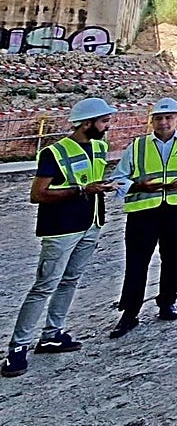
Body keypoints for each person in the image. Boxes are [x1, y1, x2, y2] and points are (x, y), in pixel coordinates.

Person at [2, 98, 118, 378]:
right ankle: (18, 348)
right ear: (87, 123)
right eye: (103, 121)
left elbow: (92, 182)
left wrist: (103, 188)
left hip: (91, 224)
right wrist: (82, 190)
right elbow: (37, 195)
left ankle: (52, 334)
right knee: (44, 286)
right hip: (61, 229)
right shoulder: (54, 153)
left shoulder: (99, 147)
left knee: (70, 281)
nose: (107, 126)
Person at [109, 97, 177, 338]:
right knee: (137, 263)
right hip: (144, 211)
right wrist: (138, 185)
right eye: (159, 118)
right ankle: (130, 313)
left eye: (169, 118)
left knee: (172, 258)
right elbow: (120, 179)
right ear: (151, 121)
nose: (164, 122)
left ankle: (167, 302)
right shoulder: (138, 146)